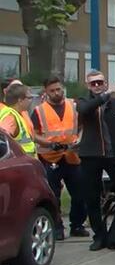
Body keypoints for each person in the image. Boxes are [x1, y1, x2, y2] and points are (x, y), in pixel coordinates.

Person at [76, 70, 115, 251]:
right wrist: (106, 95)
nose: (97, 86)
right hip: (90, 156)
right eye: (93, 83)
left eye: (100, 82)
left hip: (114, 157)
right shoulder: (83, 102)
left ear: (105, 82)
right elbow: (84, 110)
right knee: (92, 198)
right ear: (88, 86)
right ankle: (99, 236)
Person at [31, 76, 88, 240]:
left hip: (72, 155)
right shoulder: (39, 111)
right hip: (50, 157)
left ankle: (77, 225)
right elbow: (33, 133)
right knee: (53, 195)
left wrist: (79, 139)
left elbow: (82, 127)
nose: (56, 93)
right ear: (46, 92)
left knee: (79, 193)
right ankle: (57, 228)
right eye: (52, 91)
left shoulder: (74, 106)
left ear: (62, 88)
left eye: (58, 89)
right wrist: (48, 143)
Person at [0, 83, 36, 157]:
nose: (31, 101)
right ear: (20, 100)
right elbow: (3, 138)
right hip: (20, 164)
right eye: (29, 98)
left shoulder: (17, 114)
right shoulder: (10, 116)